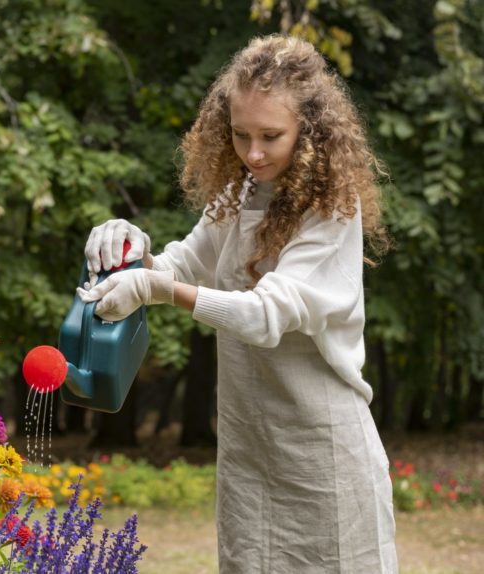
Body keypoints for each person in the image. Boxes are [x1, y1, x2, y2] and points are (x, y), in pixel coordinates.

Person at [79, 35, 397, 573]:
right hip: (249, 451)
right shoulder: (239, 195)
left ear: (309, 131)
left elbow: (264, 314)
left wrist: (159, 290)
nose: (252, 153)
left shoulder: (331, 212)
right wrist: (131, 251)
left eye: (271, 136)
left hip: (321, 455)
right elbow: (181, 264)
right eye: (240, 134)